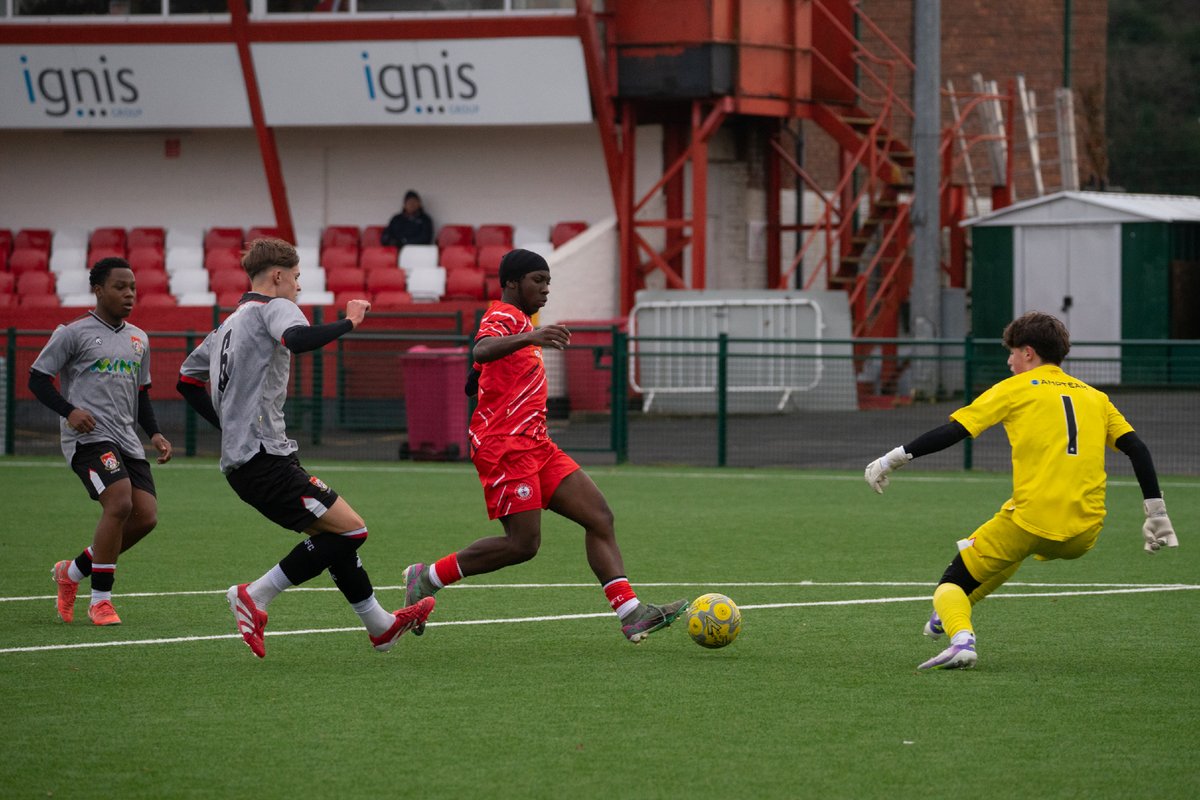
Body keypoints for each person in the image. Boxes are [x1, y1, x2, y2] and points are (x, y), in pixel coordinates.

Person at [400, 249, 688, 643]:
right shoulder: (504, 314)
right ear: (513, 282)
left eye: (549, 281)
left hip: (537, 444)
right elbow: (481, 348)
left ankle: (630, 611)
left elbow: (485, 364)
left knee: (599, 516)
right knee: (523, 545)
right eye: (539, 280)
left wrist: (484, 373)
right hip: (505, 446)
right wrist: (530, 336)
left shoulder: (520, 323)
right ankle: (428, 576)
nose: (546, 289)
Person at [864, 311, 1178, 671]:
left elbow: (954, 430)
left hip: (1031, 520)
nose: (1009, 361)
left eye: (1012, 352)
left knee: (948, 586)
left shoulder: (1012, 389)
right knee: (1009, 548)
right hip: (1083, 533)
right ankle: (948, 615)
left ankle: (961, 640)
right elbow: (1138, 449)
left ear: (1028, 352)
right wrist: (1157, 514)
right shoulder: (1097, 398)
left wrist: (891, 460)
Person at [176, 237, 433, 658]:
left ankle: (380, 626)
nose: (298, 286)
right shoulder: (273, 307)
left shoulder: (226, 326)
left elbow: (186, 380)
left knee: (334, 535)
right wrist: (349, 322)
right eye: (296, 277)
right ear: (277, 276)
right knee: (352, 529)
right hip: (263, 459)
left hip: (251, 461)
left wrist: (228, 427)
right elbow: (296, 339)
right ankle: (255, 595)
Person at [31, 257, 173, 626]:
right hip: (89, 438)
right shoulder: (72, 333)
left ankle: (73, 572)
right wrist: (69, 411)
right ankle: (101, 601)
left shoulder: (139, 338)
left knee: (146, 517)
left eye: (133, 289)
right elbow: (37, 378)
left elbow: (141, 393)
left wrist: (154, 432)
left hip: (127, 439)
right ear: (98, 289)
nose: (129, 294)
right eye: (120, 287)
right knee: (120, 502)